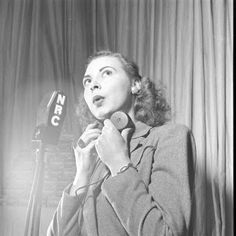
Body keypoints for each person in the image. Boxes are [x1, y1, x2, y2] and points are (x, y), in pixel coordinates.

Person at [47, 50, 196, 236]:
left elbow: (166, 233)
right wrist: (82, 175)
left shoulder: (170, 137)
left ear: (135, 85)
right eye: (87, 81)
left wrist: (119, 164)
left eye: (107, 72)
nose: (93, 85)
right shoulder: (94, 160)